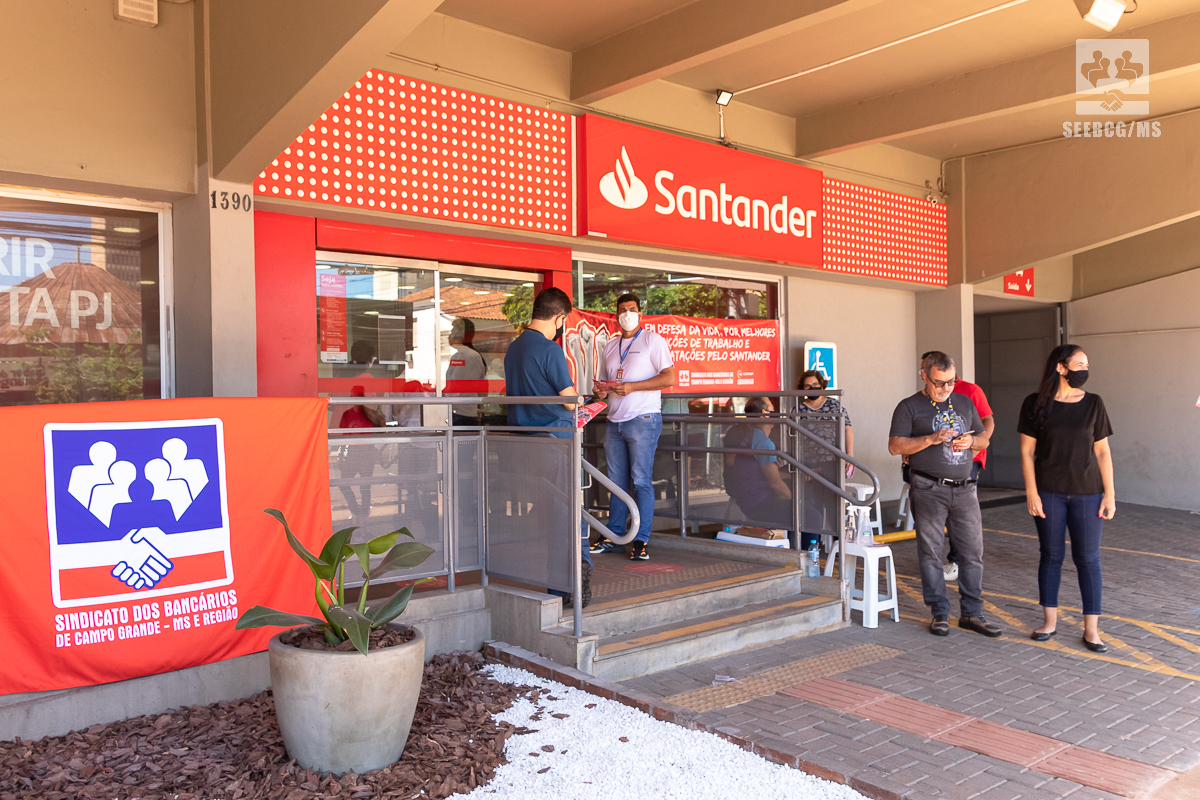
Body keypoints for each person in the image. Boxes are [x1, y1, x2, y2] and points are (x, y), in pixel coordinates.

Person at [888, 351, 999, 638]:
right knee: (931, 553)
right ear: (924, 375)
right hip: (928, 488)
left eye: (951, 381)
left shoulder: (964, 401)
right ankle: (939, 612)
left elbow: (984, 435)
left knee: (972, 554)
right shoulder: (909, 407)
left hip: (965, 489)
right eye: (939, 382)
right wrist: (931, 439)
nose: (946, 388)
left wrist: (972, 440)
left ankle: (972, 613)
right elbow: (895, 446)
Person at [1018, 344, 1115, 652]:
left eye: (1087, 364)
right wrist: (1031, 492)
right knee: (1051, 556)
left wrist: (1110, 494)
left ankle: (1092, 630)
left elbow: (1102, 450)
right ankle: (1049, 622)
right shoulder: (1035, 403)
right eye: (1079, 364)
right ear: (1061, 367)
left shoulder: (1094, 403)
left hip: (1089, 493)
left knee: (1088, 560)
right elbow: (1026, 451)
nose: (1084, 370)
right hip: (1048, 493)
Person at [503, 287, 591, 606]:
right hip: (556, 442)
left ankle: (567, 581)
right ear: (559, 318)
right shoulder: (550, 349)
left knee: (552, 515)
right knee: (565, 517)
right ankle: (565, 588)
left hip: (526, 444)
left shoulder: (514, 348)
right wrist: (582, 400)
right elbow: (568, 401)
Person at [590, 293, 675, 561]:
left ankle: (641, 540)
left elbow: (670, 377)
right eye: (623, 310)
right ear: (616, 316)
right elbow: (603, 382)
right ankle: (614, 536)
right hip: (614, 421)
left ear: (641, 313)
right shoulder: (611, 345)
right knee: (616, 483)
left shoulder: (652, 340)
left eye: (632, 309)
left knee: (641, 481)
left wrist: (633, 387)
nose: (627, 313)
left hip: (643, 419)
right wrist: (600, 391)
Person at [942, 368, 995, 582]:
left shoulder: (970, 390)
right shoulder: (930, 395)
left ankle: (958, 561)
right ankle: (950, 559)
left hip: (967, 461)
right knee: (942, 511)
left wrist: (978, 445)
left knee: (961, 512)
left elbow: (988, 420)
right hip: (941, 462)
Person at [797, 370, 853, 550]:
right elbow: (794, 437)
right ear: (802, 388)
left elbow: (847, 430)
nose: (812, 388)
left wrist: (849, 455)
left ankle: (839, 545)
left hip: (832, 461)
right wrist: (801, 465)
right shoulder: (799, 409)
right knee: (814, 504)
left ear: (822, 384)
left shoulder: (834, 405)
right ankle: (815, 543)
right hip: (810, 464)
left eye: (815, 385)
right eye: (807, 386)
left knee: (833, 503)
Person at [723, 397, 793, 531]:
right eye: (772, 410)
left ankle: (785, 540)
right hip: (753, 497)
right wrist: (795, 503)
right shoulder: (757, 439)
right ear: (764, 413)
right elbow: (773, 482)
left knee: (802, 501)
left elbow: (765, 475)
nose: (776, 413)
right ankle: (801, 548)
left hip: (754, 493)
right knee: (810, 515)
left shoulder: (756, 436)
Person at [446, 317, 486, 426]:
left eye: (454, 330)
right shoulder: (457, 355)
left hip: (464, 413)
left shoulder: (471, 356)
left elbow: (465, 386)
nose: (450, 335)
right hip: (454, 411)